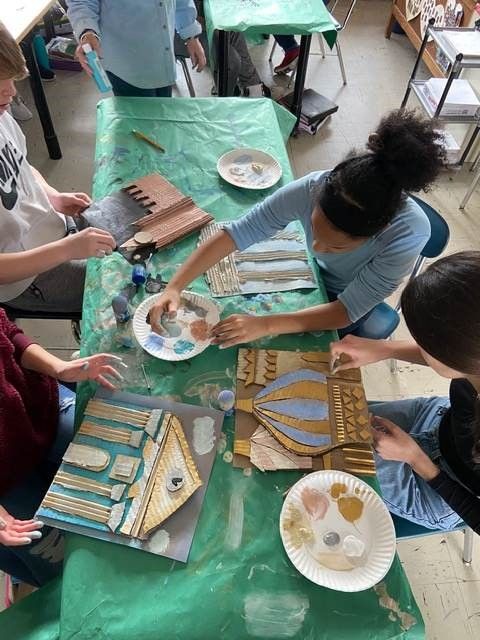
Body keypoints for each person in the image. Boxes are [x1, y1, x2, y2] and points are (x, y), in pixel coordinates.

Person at [149, 108, 444, 346]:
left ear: (377, 233)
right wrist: (175, 286)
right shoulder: (313, 187)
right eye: (314, 229)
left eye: (335, 247)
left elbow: (347, 310)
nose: (315, 247)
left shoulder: (406, 235)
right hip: (312, 276)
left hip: (341, 301)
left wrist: (266, 324)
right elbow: (240, 231)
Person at [330, 251, 480, 534]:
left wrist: (415, 458)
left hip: (446, 491)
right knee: (332, 416)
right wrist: (384, 349)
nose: (418, 347)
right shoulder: (470, 358)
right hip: (439, 422)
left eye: (424, 344)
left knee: (333, 446)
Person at [0, 309, 124, 586]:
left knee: (122, 459)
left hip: (37, 408)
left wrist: (59, 368)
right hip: (7, 484)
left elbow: (6, 333)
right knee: (64, 567)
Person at [0, 21, 116, 314]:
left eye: (11, 82)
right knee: (121, 289)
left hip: (54, 229)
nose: (11, 93)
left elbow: (22, 167)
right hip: (25, 276)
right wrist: (68, 250)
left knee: (139, 239)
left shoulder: (2, 115)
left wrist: (53, 197)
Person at [67, 0, 207, 97]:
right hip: (127, 65)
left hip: (163, 59)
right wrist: (87, 32)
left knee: (162, 123)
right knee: (140, 129)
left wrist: (190, 35)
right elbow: (81, 2)